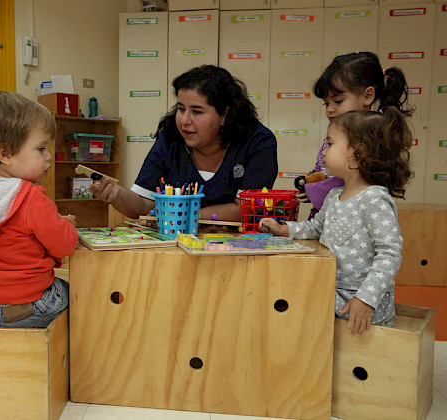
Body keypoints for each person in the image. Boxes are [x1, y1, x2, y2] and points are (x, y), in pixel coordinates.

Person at [259, 107, 412, 335]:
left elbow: (389, 253)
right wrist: (284, 229)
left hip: (362, 304)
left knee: (362, 356)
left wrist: (366, 298)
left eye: (330, 144)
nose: (323, 152)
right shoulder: (334, 196)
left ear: (358, 152)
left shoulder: (374, 198)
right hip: (331, 293)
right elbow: (313, 228)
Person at [91, 65, 278, 221]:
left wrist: (177, 215)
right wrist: (117, 194)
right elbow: (143, 205)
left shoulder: (258, 142)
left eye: (197, 112)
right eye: (181, 109)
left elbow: (245, 210)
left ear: (224, 115)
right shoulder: (170, 139)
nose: (184, 121)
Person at [0, 91, 78, 328]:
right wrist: (67, 225)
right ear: (5, 154)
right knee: (75, 290)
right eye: (41, 148)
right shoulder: (30, 196)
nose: (49, 157)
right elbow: (65, 245)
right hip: (26, 309)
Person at [301, 51, 413, 219]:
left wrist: (314, 191)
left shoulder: (372, 138)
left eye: (338, 101)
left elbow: (352, 179)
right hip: (328, 217)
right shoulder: (336, 135)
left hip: (350, 220)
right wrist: (310, 180)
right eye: (326, 103)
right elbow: (322, 170)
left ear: (368, 96)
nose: (330, 109)